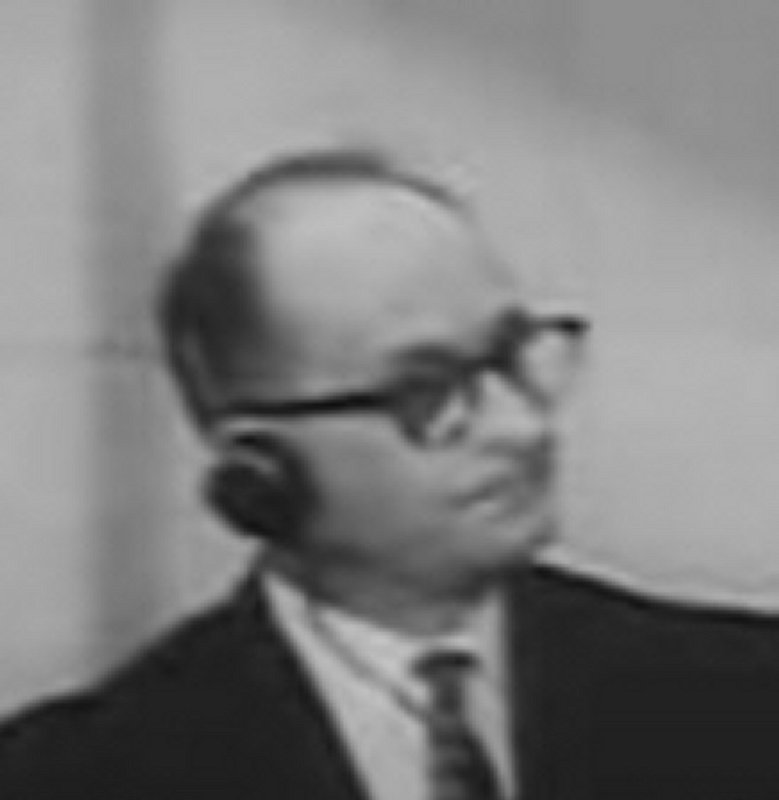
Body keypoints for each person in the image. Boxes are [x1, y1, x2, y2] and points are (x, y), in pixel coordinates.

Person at [2, 147, 779, 800]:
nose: (521, 427)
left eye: (512, 354)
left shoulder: (745, 696)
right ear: (257, 469)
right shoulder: (78, 775)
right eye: (425, 392)